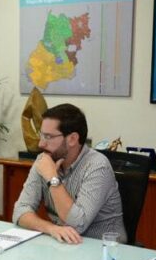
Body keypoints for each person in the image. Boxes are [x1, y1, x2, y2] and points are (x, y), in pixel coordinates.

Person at [11, 103, 124, 244]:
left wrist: (52, 178)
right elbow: (20, 212)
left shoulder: (97, 166)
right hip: (66, 245)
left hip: (103, 250)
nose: (41, 144)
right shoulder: (44, 160)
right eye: (42, 135)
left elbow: (78, 225)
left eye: (48, 137)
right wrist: (51, 228)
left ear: (72, 139)